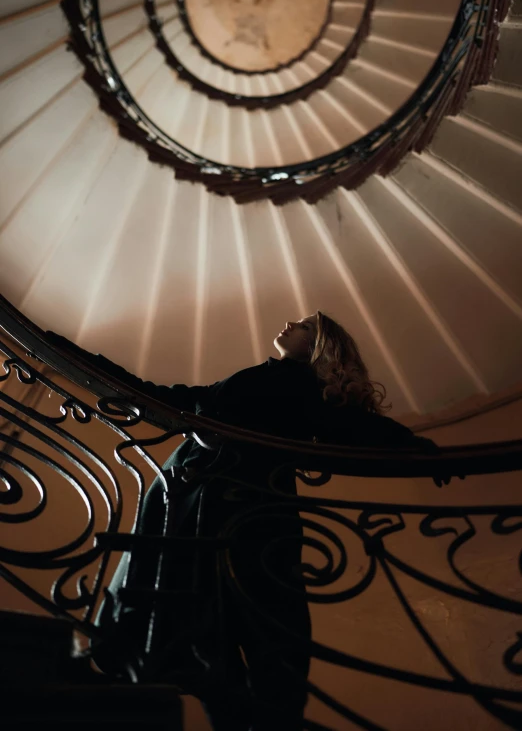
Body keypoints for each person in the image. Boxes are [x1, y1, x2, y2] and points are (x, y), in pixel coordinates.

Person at [47, 311, 438, 730]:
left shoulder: (301, 385)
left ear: (321, 346)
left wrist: (416, 446)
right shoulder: (255, 378)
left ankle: (262, 717)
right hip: (192, 502)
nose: (291, 322)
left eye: (305, 325)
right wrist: (72, 354)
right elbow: (159, 396)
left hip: (242, 509)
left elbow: (353, 426)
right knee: (206, 622)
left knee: (260, 619)